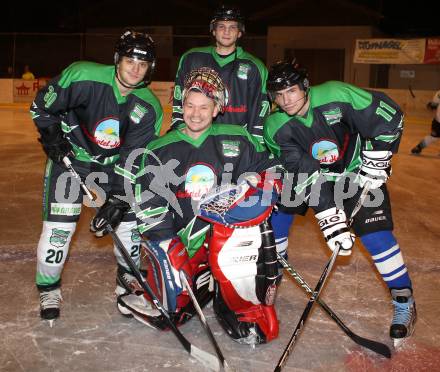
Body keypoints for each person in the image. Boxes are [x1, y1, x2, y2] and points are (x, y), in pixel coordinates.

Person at [117, 67, 283, 345]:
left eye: (204, 107)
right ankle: (186, 279)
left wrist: (262, 184)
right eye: (190, 106)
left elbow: (273, 168)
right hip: (186, 241)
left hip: (226, 235)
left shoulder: (238, 138)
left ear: (217, 108)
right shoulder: (160, 148)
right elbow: (148, 199)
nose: (195, 113)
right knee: (173, 311)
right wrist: (166, 242)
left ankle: (243, 305)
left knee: (241, 279)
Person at [264, 60, 416, 347]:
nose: (286, 100)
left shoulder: (338, 94)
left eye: (292, 91)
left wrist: (379, 154)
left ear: (305, 87)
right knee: (279, 211)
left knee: (377, 236)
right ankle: (273, 272)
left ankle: (403, 299)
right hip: (317, 179)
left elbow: (390, 115)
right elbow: (302, 172)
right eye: (279, 95)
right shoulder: (276, 126)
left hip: (359, 173)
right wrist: (328, 214)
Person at [31, 29, 163, 325]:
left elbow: (133, 157)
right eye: (130, 61)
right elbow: (42, 107)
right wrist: (51, 135)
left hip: (112, 169)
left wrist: (117, 196)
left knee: (128, 227)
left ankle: (128, 280)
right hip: (71, 162)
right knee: (58, 231)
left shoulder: (149, 106)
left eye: (143, 65)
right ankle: (48, 288)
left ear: (150, 69)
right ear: (118, 59)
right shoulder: (82, 76)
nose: (136, 69)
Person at [171, 4, 270, 144]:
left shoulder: (255, 67)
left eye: (232, 27)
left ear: (240, 32)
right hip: (196, 138)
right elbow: (179, 98)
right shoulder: (191, 58)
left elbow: (259, 111)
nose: (226, 32)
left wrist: (256, 145)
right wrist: (179, 128)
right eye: (221, 26)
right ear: (213, 30)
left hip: (235, 143)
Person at [411, 90, 440, 154]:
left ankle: (418, 148)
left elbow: (433, 105)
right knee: (433, 137)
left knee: (433, 137)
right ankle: (419, 147)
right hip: (438, 121)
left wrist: (431, 105)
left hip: (438, 121)